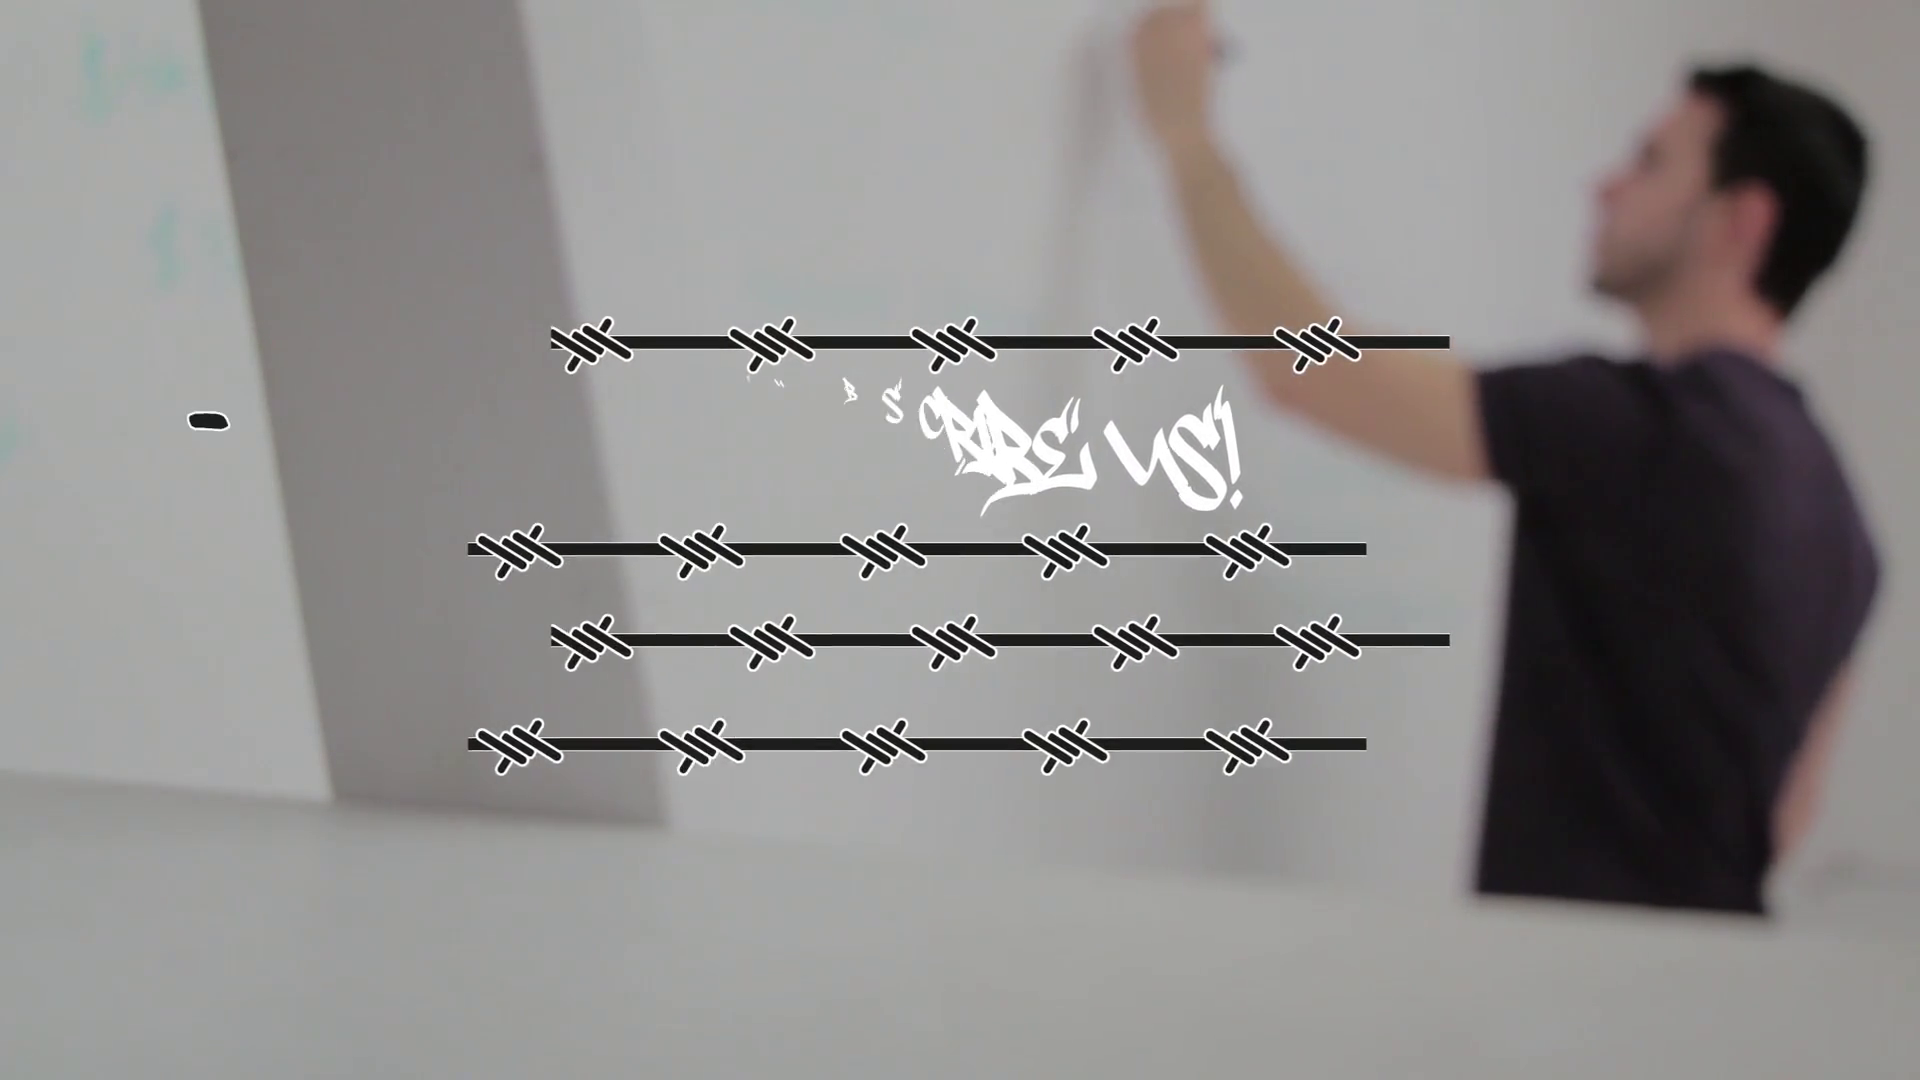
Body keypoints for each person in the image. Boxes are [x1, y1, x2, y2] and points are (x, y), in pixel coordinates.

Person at [1128, 3, 1881, 916]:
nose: (1605, 186)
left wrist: (1187, 135)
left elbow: (1313, 371)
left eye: (1651, 162)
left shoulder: (1653, 429)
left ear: (1743, 222)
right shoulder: (1844, 523)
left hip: (1577, 984)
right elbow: (1788, 818)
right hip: (1713, 979)